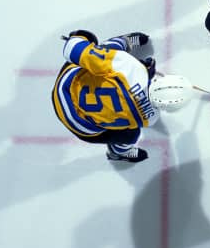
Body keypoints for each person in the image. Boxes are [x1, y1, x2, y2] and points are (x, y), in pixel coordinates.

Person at [51, 29, 158, 163]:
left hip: (67, 85)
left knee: (105, 51)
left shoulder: (122, 64)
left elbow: (72, 48)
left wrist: (80, 37)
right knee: (130, 135)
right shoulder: (150, 117)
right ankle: (119, 152)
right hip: (79, 123)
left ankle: (125, 41)